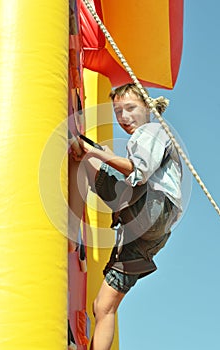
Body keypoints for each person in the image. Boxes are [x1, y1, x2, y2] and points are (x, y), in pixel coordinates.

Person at [68, 83, 182, 350]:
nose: (124, 118)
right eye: (118, 112)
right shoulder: (147, 137)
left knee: (81, 156)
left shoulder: (151, 131)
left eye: (131, 108)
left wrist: (95, 153)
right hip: (147, 236)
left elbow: (138, 172)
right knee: (103, 306)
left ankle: (71, 231)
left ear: (148, 109)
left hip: (153, 208)